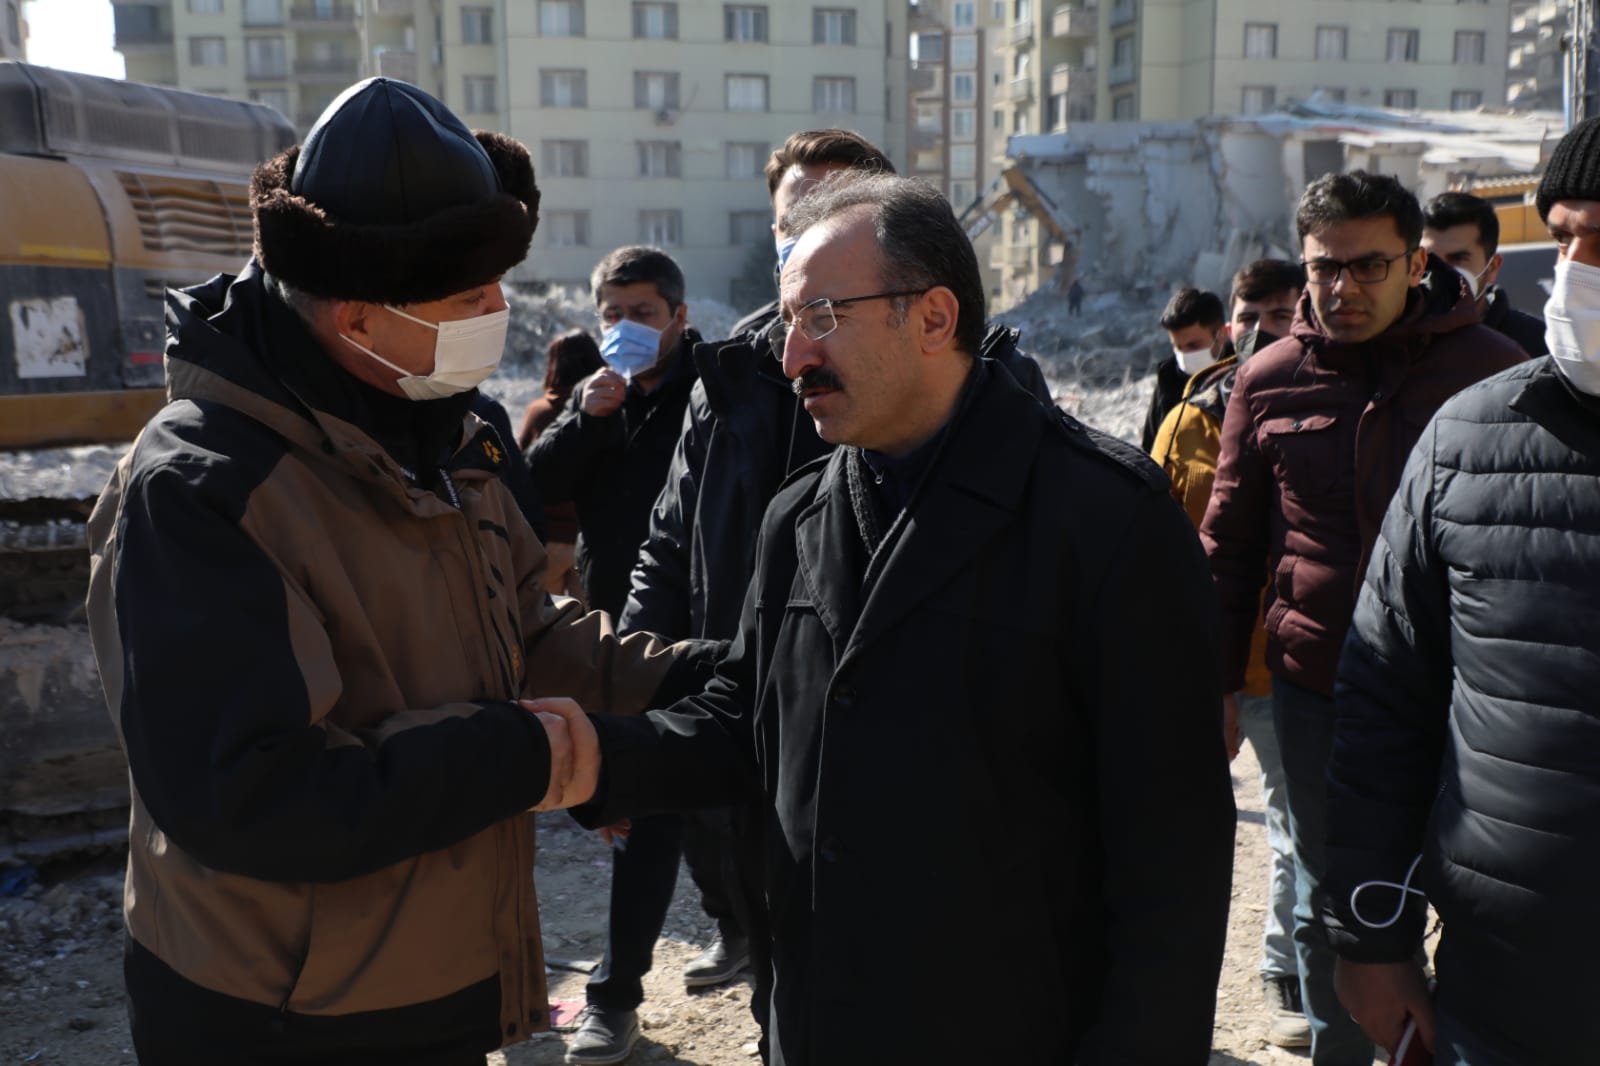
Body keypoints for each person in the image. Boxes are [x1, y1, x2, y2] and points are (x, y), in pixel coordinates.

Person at [83, 77, 703, 1066]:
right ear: (358, 319)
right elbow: (253, 793)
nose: (499, 308)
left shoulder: (443, 430)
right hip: (285, 1016)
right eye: (469, 295)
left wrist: (690, 683)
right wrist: (535, 756)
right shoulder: (204, 488)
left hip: (426, 979)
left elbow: (523, 627)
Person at [572, 172, 1237, 1065]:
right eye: (787, 323)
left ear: (932, 318)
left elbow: (1174, 856)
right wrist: (587, 758)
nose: (792, 358)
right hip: (822, 1022)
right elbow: (750, 719)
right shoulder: (797, 516)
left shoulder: (1106, 518)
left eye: (821, 318)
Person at [614, 129, 1055, 1063]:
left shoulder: (1006, 403)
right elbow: (669, 547)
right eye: (792, 219)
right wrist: (621, 724)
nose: (801, 355)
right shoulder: (733, 378)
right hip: (760, 733)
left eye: (834, 210)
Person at [1199, 170, 1525, 1066]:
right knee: (1331, 898)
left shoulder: (1495, 374)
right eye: (1323, 268)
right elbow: (1228, 550)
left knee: (1478, 894)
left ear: (1416, 264)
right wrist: (1216, 686)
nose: (1341, 288)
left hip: (1469, 696)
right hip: (1319, 690)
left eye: (1368, 266)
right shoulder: (1267, 381)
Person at [1322, 115, 1600, 1066]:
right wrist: (1371, 936)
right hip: (1504, 997)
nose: (1578, 271)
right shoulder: (1468, 439)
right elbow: (1385, 700)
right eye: (1563, 238)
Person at [524, 248, 711, 1066]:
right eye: (613, 315)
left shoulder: (714, 393)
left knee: (711, 820)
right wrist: (586, 417)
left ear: (678, 317)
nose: (626, 328)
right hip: (617, 639)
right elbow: (530, 492)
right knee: (644, 813)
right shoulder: (596, 400)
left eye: (643, 314)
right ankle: (618, 997)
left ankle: (737, 944)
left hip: (698, 636)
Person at [1149, 257, 1309, 1050]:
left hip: (1289, 667)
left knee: (1296, 829)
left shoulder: (1326, 405)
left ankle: (1286, 968)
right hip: (1204, 664)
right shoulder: (1187, 419)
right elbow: (1155, 546)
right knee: (1172, 832)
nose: (1261, 331)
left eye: (1280, 315)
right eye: (1251, 315)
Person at [519, 329, 604, 603]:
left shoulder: (540, 412)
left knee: (545, 620)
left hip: (548, 539)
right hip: (592, 537)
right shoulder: (609, 412)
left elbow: (521, 469)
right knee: (594, 621)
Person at [1422, 190, 1549, 356]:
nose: (1439, 270)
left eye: (1457, 259)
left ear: (1492, 267)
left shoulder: (1534, 342)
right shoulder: (1399, 337)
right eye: (1429, 259)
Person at [1142, 287, 1227, 451]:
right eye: (1178, 347)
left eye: (1193, 345)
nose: (1184, 355)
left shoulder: (1243, 376)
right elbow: (1150, 447)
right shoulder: (1168, 381)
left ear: (1221, 335)